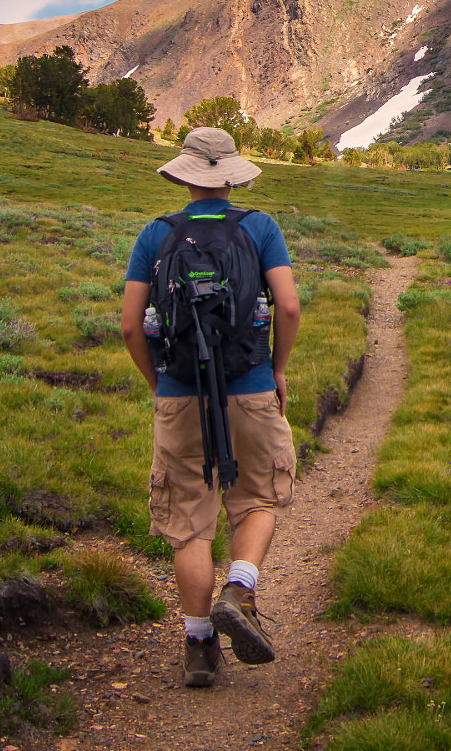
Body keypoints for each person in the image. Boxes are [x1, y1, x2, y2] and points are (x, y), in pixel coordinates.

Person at [120, 126, 302, 689]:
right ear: (232, 177)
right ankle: (240, 588)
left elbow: (130, 325)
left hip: (180, 392)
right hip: (248, 385)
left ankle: (199, 648)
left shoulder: (156, 234)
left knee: (189, 525)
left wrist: (159, 383)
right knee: (260, 497)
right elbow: (289, 307)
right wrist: (276, 371)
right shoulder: (260, 227)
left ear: (184, 175)